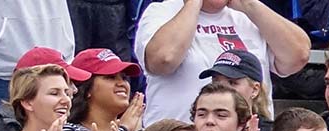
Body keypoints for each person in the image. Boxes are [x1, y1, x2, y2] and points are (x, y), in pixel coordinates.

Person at [133, 0, 310, 124]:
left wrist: (251, 5)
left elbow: (298, 56)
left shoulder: (248, 14)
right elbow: (164, 59)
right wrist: (193, 4)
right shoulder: (162, 11)